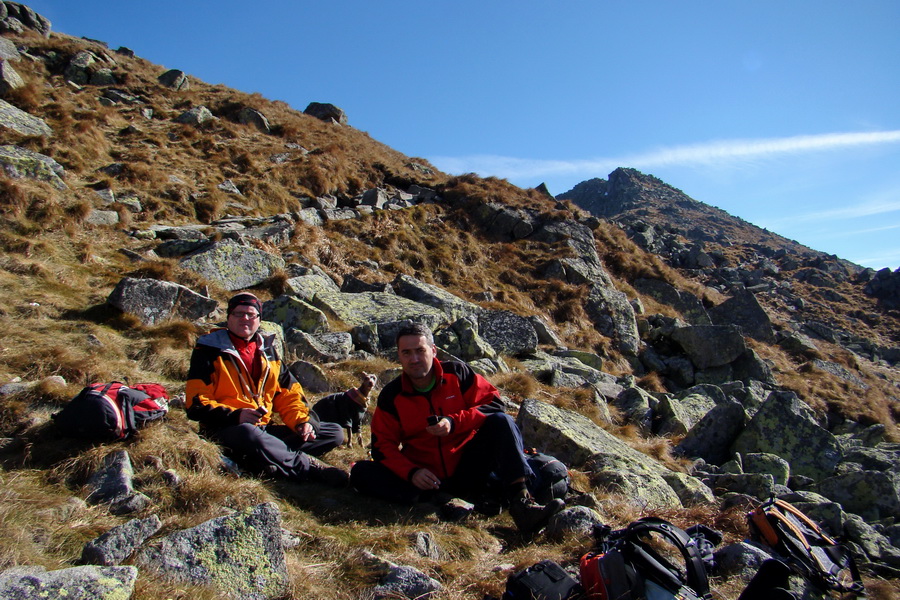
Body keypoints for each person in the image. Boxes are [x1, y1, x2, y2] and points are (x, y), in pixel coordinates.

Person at [350, 323, 565, 533]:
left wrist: (453, 422)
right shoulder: (392, 395)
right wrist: (412, 472)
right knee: (361, 472)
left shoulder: (457, 374)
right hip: (426, 477)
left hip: (469, 466)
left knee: (501, 421)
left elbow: (494, 403)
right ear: (399, 355)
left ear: (433, 351)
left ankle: (522, 504)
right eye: (406, 353)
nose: (414, 359)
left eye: (420, 350)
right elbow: (381, 446)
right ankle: (438, 500)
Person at [185, 292, 348, 486]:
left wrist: (302, 422)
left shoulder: (268, 351)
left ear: (259, 319)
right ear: (228, 318)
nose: (244, 318)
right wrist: (236, 415)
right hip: (226, 428)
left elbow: (288, 394)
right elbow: (195, 403)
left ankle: (264, 460)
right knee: (249, 435)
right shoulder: (209, 351)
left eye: (251, 314)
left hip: (263, 429)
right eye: (238, 314)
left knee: (333, 433)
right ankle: (309, 467)